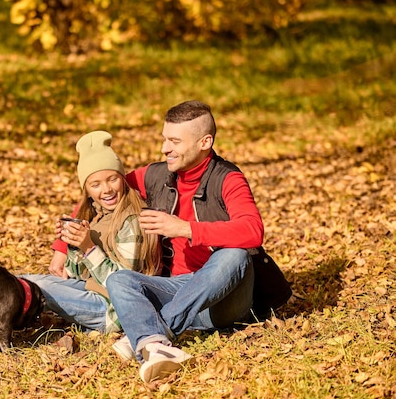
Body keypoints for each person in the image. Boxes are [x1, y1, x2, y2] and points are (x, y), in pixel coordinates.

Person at [52, 100, 290, 383]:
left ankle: (152, 331)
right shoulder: (157, 174)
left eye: (174, 141)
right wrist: (62, 246)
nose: (165, 148)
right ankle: (155, 340)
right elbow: (103, 188)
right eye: (165, 139)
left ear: (205, 142)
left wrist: (187, 229)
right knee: (120, 281)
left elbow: (252, 230)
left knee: (235, 255)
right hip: (174, 288)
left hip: (223, 299)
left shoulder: (228, 179)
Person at [22, 130, 161, 334]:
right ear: (86, 189)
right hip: (92, 290)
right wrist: (74, 244)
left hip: (114, 310)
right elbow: (81, 274)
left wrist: (88, 247)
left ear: (122, 178)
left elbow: (122, 286)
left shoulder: (132, 220)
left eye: (112, 179)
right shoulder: (98, 215)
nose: (106, 190)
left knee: (34, 287)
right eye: (95, 184)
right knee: (23, 280)